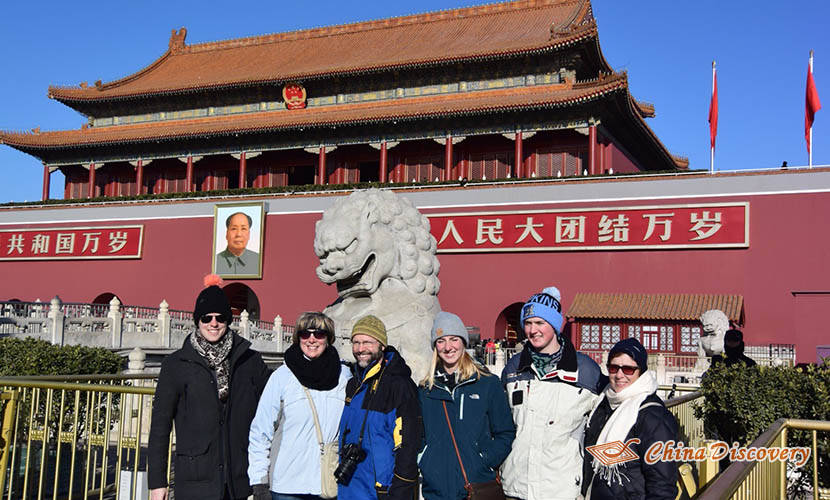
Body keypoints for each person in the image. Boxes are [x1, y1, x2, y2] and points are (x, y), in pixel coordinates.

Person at [148, 277, 270, 500]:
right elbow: (160, 426)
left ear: (228, 320)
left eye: (220, 317)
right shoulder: (177, 364)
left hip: (238, 478)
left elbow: (274, 404)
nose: (214, 323)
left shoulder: (248, 360)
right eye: (207, 318)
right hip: (196, 479)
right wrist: (157, 483)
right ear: (197, 320)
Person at [500, 286, 605, 500]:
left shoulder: (585, 371)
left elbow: (604, 427)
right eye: (528, 323)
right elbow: (499, 425)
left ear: (554, 325)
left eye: (540, 323)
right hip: (516, 486)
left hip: (561, 488)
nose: (533, 330)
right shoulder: (513, 368)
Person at [248, 312, 350, 500]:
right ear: (297, 338)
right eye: (305, 334)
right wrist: (259, 480)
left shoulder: (344, 376)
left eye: (319, 334)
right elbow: (261, 430)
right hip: (287, 485)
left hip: (328, 483)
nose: (312, 339)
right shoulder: (282, 377)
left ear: (328, 338)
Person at [418, 312, 515, 500]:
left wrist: (484, 459)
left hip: (477, 487)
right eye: (441, 341)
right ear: (434, 346)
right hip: (437, 490)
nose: (448, 347)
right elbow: (419, 435)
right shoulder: (425, 390)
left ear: (463, 342)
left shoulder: (487, 384)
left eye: (454, 339)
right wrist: (424, 459)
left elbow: (505, 432)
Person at [581, 338, 678, 499]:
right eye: (613, 368)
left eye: (628, 369)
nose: (619, 375)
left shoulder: (652, 416)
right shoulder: (602, 404)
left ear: (641, 371)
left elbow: (662, 483)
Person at [337, 315, 421, 500]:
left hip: (381, 491)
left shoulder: (399, 385)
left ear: (382, 345)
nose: (360, 349)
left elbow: (409, 443)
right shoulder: (353, 384)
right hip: (349, 487)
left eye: (368, 342)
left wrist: (401, 487)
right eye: (356, 342)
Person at [216, 212, 260, 276]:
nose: (238, 234)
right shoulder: (215, 262)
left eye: (243, 229)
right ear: (226, 234)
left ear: (249, 234)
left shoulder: (259, 261)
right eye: (234, 229)